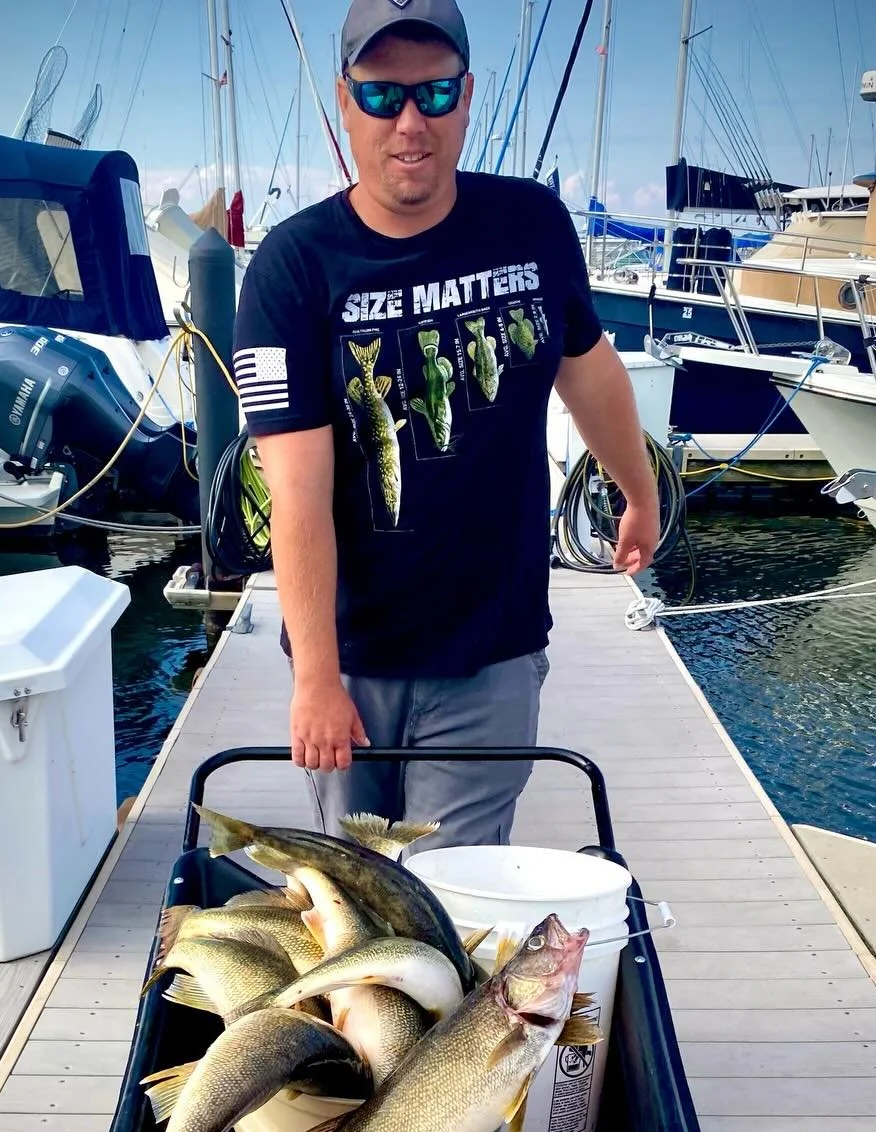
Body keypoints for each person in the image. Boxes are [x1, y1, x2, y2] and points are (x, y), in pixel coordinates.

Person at [233, 0, 660, 846]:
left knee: (451, 897)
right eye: (382, 95)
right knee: (356, 887)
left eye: (434, 94)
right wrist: (316, 675)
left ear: (468, 98)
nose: (409, 123)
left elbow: (590, 369)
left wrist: (638, 492)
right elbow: (297, 493)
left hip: (490, 645)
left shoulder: (532, 224)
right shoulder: (292, 267)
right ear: (345, 102)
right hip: (352, 655)